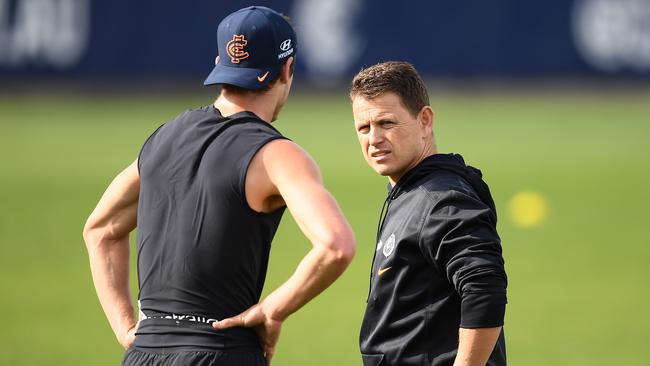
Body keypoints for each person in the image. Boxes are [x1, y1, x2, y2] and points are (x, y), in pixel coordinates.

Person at [83, 6, 355, 366]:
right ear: (287, 69)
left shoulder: (162, 139)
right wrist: (274, 309)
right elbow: (336, 246)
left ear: (219, 63)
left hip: (144, 354)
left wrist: (126, 328)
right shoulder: (276, 155)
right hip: (223, 352)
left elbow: (101, 228)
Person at [349, 61, 507, 366]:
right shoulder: (410, 192)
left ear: (425, 120)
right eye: (363, 128)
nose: (373, 139)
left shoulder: (440, 199)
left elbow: (484, 286)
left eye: (387, 123)